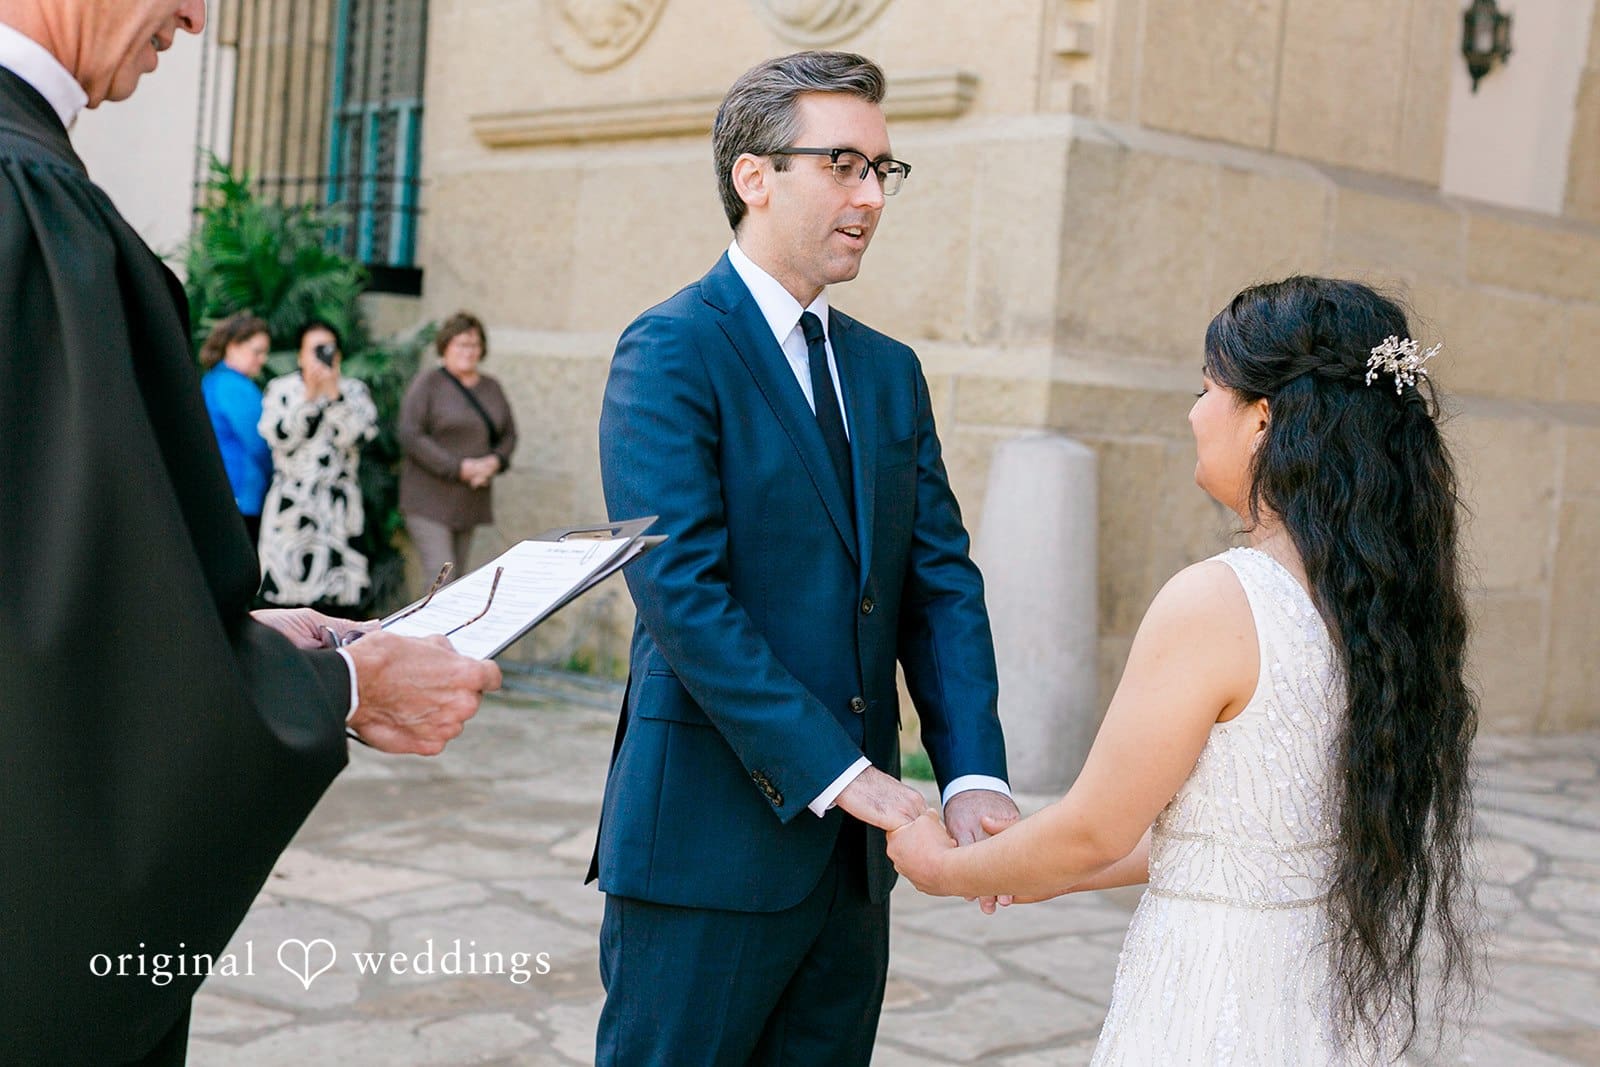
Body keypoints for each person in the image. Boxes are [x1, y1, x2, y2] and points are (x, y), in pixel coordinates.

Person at [0, 3, 502, 1064]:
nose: (195, 14)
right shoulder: (25, 197)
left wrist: (244, 631)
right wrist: (346, 687)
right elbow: (64, 667)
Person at [888, 276, 1480, 1063]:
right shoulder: (1381, 606)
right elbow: (1216, 838)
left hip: (1214, 993)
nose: (1194, 413)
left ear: (1263, 419)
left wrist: (944, 867)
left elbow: (1096, 826)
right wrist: (1043, 866)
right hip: (1323, 995)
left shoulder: (1217, 600)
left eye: (1207, 389)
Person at [592, 50, 1017, 1065]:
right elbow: (682, 596)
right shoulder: (669, 350)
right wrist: (840, 770)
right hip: (705, 850)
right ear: (755, 175)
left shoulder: (887, 370)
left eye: (882, 169)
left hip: (848, 871)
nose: (871, 195)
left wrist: (970, 774)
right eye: (843, 164)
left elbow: (939, 582)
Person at [257, 319, 378, 612]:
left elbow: (360, 435)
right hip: (292, 505)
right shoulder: (281, 388)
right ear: (300, 355)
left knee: (339, 602)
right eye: (315, 350)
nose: (322, 356)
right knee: (286, 600)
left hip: (338, 507)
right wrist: (310, 396)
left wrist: (334, 395)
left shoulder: (354, 391)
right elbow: (279, 436)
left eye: (328, 349)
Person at [397, 310, 518, 587]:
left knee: (456, 584)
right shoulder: (428, 384)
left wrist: (494, 462)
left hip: (469, 501)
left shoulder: (491, 387)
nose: (469, 351)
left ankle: (442, 633)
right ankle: (424, 631)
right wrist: (458, 468)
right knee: (442, 578)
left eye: (474, 344)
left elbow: (509, 434)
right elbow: (410, 434)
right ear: (446, 346)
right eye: (461, 344)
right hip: (429, 500)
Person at [199, 311, 273, 542]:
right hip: (243, 497)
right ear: (232, 346)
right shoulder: (235, 387)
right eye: (257, 351)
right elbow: (260, 443)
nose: (262, 359)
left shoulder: (211, 380)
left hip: (220, 495)